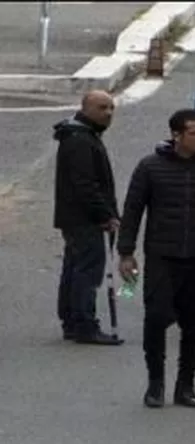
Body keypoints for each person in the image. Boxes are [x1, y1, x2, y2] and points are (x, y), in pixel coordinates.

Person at [116, 109, 195, 409]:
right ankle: (155, 383)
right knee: (157, 317)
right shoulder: (150, 167)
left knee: (193, 324)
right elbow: (133, 210)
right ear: (177, 135)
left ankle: (185, 385)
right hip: (163, 255)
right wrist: (126, 253)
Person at [53, 90, 123, 345]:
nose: (108, 113)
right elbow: (86, 185)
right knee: (87, 271)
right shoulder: (81, 140)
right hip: (84, 218)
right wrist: (105, 215)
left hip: (74, 217)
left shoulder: (80, 136)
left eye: (111, 108)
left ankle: (72, 320)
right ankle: (84, 323)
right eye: (102, 108)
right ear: (86, 108)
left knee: (74, 268)